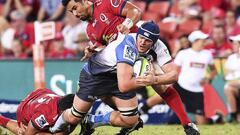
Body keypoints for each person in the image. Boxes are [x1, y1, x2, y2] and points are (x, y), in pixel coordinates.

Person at [50, 21, 200, 135]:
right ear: (138, 35)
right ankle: (51, 128)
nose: (142, 42)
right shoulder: (127, 45)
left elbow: (173, 75)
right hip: (95, 76)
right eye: (141, 38)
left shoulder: (159, 46)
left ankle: (92, 121)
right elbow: (124, 86)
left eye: (148, 41)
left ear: (154, 42)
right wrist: (150, 80)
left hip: (118, 75)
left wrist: (154, 80)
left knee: (131, 120)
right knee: (74, 117)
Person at [172, 30, 222, 124]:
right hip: (181, 86)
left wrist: (208, 78)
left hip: (197, 90)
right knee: (163, 94)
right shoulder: (183, 53)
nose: (204, 42)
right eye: (202, 40)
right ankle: (143, 108)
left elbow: (214, 70)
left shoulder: (207, 54)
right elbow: (174, 70)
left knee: (201, 122)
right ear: (195, 41)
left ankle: (214, 119)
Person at [61, 0, 142, 53]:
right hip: (122, 57)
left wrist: (126, 25)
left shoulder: (105, 4)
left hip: (138, 45)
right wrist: (93, 51)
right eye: (71, 12)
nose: (75, 14)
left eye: (75, 8)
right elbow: (103, 50)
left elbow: (135, 11)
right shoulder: (89, 30)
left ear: (85, 1)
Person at [0, 88, 75, 135]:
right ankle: (1, 119)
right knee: (24, 132)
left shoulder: (66, 102)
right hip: (24, 108)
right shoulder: (47, 116)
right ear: (63, 111)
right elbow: (28, 133)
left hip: (42, 94)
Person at [224, 34, 240, 123]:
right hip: (235, 85)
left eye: (236, 44)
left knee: (228, 86)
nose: (233, 46)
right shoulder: (231, 58)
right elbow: (226, 74)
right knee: (228, 88)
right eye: (233, 44)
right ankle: (234, 115)